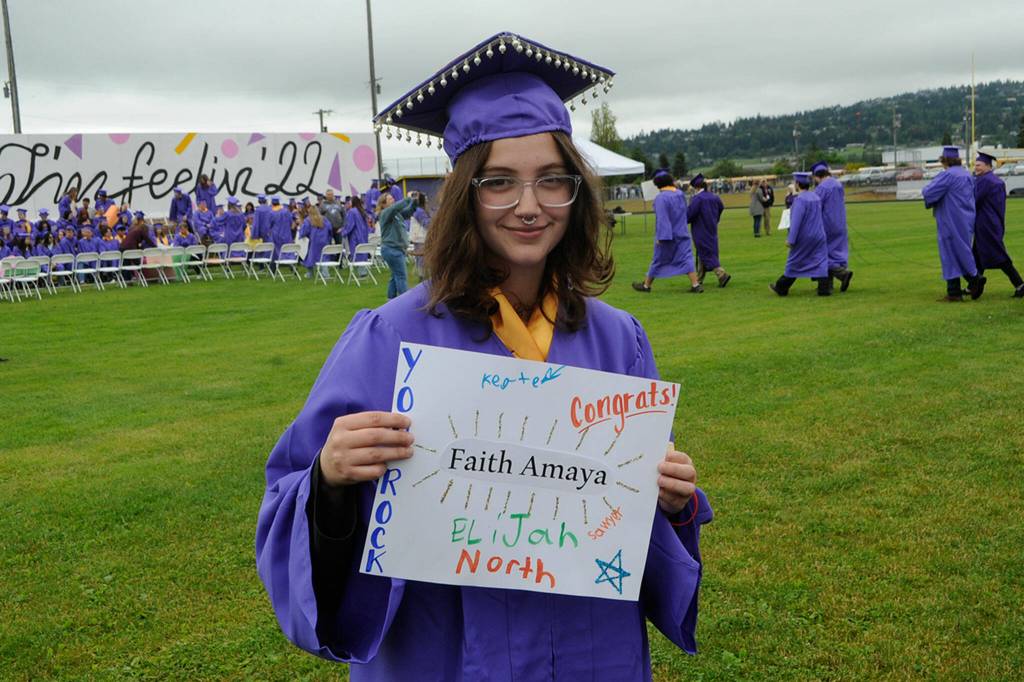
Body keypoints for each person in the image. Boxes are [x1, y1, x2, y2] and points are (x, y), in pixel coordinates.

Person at [256, 31, 709, 682]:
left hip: (591, 652)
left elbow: (623, 520)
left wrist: (671, 501)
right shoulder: (388, 338)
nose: (530, 206)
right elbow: (289, 499)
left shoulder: (619, 338)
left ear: (576, 193)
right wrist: (329, 480)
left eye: (552, 181)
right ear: (466, 193)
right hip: (441, 653)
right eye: (500, 182)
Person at [921, 146, 984, 302]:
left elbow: (929, 192)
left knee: (950, 252)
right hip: (966, 218)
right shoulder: (966, 174)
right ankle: (954, 290)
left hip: (950, 219)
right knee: (962, 249)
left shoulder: (947, 176)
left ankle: (973, 279)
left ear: (944, 160)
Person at [632, 169, 702, 293]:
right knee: (686, 258)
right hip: (682, 232)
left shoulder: (661, 198)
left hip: (668, 235)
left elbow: (663, 219)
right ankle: (696, 284)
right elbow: (684, 213)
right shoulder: (680, 194)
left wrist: (661, 237)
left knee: (658, 259)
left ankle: (646, 286)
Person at [770, 172, 831, 296]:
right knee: (820, 260)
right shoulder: (816, 197)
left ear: (797, 184)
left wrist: (791, 240)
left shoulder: (799, 200)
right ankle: (824, 288)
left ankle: (781, 287)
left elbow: (796, 221)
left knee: (795, 261)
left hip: (805, 236)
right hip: (819, 235)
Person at [972, 151, 1023, 298]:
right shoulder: (997, 181)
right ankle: (973, 285)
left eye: (979, 165)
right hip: (994, 222)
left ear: (988, 166)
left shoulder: (984, 181)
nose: (976, 168)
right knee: (977, 253)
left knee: (999, 256)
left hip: (985, 223)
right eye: (975, 165)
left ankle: (1019, 283)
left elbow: (974, 200)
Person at [811, 161, 853, 292]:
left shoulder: (821, 188)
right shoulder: (838, 184)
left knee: (823, 254)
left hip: (827, 225)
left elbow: (816, 206)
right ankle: (827, 285)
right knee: (835, 253)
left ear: (817, 176)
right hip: (840, 223)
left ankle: (842, 274)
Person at [686, 174, 730, 287]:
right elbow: (721, 207)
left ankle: (721, 274)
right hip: (712, 228)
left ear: (696, 187)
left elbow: (690, 214)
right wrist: (715, 219)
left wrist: (683, 220)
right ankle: (699, 279)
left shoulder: (697, 199)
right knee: (703, 251)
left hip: (700, 229)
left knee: (705, 251)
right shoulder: (714, 197)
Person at [376, 191, 417, 298]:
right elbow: (395, 208)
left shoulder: (396, 214)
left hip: (395, 249)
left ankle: (391, 299)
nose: (393, 200)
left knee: (395, 276)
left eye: (392, 198)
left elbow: (408, 212)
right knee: (401, 276)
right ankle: (405, 301)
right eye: (390, 199)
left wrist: (415, 202)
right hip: (391, 249)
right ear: (383, 204)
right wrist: (407, 198)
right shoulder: (385, 213)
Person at [299, 204, 332, 278]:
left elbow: (304, 231)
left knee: (309, 256)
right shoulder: (324, 219)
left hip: (314, 242)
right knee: (323, 257)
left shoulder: (308, 220)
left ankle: (310, 273)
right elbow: (330, 229)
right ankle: (325, 273)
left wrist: (301, 234)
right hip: (324, 241)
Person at [342, 195, 371, 262]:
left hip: (355, 237)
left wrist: (343, 232)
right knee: (363, 254)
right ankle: (363, 271)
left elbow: (350, 225)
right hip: (363, 236)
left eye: (350, 202)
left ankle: (360, 271)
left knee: (357, 256)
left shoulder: (352, 211)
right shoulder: (362, 210)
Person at [410, 192, 431, 280]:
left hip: (419, 239)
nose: (427, 202)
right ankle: (423, 279)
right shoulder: (420, 211)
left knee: (420, 261)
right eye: (426, 200)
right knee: (422, 262)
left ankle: (422, 278)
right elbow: (427, 224)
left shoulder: (418, 210)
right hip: (421, 239)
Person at [268, 196, 294, 260]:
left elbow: (269, 225)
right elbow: (291, 223)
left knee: (276, 251)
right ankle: (291, 264)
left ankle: (274, 266)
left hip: (276, 234)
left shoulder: (271, 212)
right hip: (286, 234)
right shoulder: (286, 211)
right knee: (287, 250)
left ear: (272, 203)